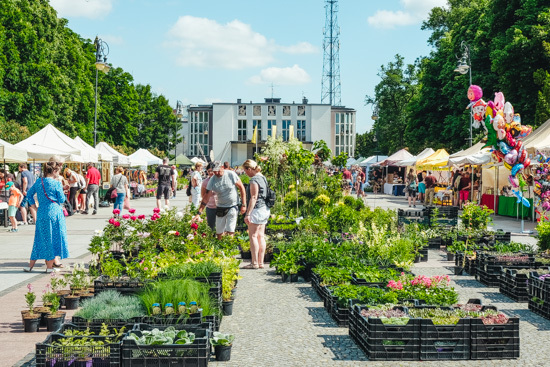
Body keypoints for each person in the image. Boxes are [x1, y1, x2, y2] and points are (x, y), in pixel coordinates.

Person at [23, 156, 69, 272]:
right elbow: (62, 199)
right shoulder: (56, 183)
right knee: (53, 239)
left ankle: (30, 266)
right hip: (55, 213)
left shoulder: (39, 181)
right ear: (54, 171)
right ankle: (49, 267)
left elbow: (29, 194)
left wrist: (34, 206)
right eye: (57, 171)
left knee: (39, 238)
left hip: (42, 212)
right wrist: (63, 190)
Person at [194, 161, 246, 240]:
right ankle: (221, 249)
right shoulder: (212, 180)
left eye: (218, 170)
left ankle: (229, 249)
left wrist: (243, 204)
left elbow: (241, 188)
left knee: (230, 230)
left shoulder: (231, 174)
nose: (216, 173)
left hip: (233, 205)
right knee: (219, 232)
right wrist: (199, 213)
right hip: (220, 207)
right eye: (214, 171)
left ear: (222, 167)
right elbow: (206, 197)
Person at [242, 159, 270, 269]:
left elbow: (253, 197)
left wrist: (248, 214)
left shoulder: (254, 179)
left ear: (249, 169)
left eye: (245, 171)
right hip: (265, 209)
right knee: (261, 236)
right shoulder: (263, 177)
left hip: (257, 209)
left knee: (253, 235)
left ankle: (254, 263)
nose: (245, 173)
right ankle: (261, 262)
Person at [201, 162, 218, 231]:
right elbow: (203, 195)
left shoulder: (219, 180)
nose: (210, 173)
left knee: (221, 226)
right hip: (210, 206)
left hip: (220, 206)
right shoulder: (205, 182)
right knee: (211, 227)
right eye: (208, 171)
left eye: (212, 170)